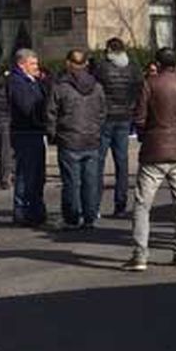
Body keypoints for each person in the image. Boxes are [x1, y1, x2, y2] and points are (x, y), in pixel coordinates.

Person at [124, 47, 176, 271]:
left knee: (142, 204)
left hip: (154, 149)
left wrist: (145, 134)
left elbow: (139, 118)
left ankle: (140, 255)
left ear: (157, 64)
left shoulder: (150, 84)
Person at [47, 48, 107, 230]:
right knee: (90, 180)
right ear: (85, 64)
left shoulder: (60, 87)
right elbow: (103, 112)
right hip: (91, 138)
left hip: (69, 139)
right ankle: (90, 216)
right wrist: (96, 129)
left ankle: (72, 217)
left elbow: (51, 113)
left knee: (71, 181)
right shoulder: (96, 87)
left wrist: (53, 135)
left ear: (68, 63)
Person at [91, 37, 140, 219]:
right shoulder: (133, 68)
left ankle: (94, 204)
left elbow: (94, 90)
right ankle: (120, 204)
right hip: (124, 117)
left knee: (99, 161)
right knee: (122, 162)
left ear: (109, 50)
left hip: (105, 118)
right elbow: (138, 89)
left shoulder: (102, 68)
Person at [8, 49, 49, 227]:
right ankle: (23, 210)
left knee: (37, 173)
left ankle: (36, 209)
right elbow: (26, 106)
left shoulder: (34, 81)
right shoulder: (17, 82)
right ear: (21, 64)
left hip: (36, 131)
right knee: (26, 173)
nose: (36, 67)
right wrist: (41, 114)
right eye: (32, 64)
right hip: (25, 132)